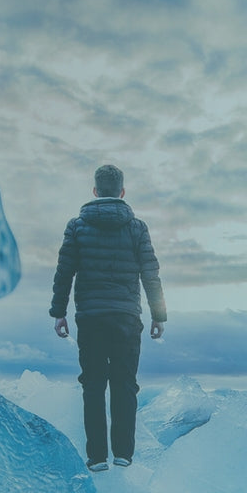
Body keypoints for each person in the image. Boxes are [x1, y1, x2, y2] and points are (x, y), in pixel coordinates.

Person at [50, 164, 167, 472]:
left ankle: (97, 457)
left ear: (95, 191)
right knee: (125, 384)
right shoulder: (137, 227)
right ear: (122, 192)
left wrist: (59, 312)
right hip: (127, 317)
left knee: (93, 385)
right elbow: (150, 274)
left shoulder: (77, 226)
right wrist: (159, 315)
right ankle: (124, 454)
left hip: (90, 317)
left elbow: (65, 273)